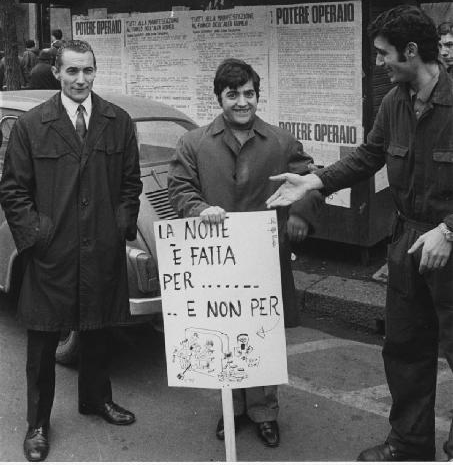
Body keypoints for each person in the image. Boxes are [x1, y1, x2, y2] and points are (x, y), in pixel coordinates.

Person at [266, 5, 453, 462]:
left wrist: (449, 230)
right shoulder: (394, 102)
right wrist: (314, 181)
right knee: (405, 350)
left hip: (449, 246)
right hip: (406, 242)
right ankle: (409, 445)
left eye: (384, 53)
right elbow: (369, 155)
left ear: (411, 51)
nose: (380, 62)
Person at [167, 58, 322, 449]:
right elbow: (180, 188)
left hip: (265, 258)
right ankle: (232, 408)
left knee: (262, 333)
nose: (241, 102)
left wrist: (300, 214)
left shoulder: (282, 141)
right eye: (232, 95)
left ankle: (264, 411)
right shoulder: (194, 143)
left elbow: (310, 181)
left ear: (258, 94)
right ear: (219, 97)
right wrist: (200, 210)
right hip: (216, 259)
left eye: (248, 94)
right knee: (223, 332)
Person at [0, 39, 142, 462]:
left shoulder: (117, 121)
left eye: (89, 71)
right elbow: (13, 189)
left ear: (96, 72)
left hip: (100, 247)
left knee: (98, 328)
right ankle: (37, 424)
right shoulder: (32, 125)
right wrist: (36, 236)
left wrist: (119, 227)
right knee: (43, 341)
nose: (81, 80)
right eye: (73, 71)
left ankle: (96, 399)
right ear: (57, 73)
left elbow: (130, 184)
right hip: (51, 252)